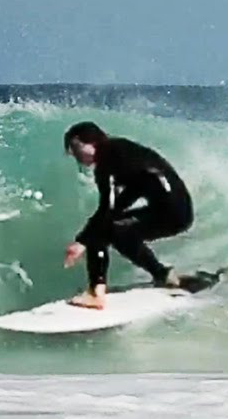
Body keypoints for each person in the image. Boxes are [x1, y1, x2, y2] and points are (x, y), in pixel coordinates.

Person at [61, 121, 194, 309]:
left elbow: (107, 208)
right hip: (181, 211)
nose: (75, 155)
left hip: (170, 212)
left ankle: (95, 293)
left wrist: (83, 240)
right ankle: (163, 275)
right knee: (116, 231)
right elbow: (134, 190)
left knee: (105, 229)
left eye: (75, 148)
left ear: (90, 143)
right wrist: (87, 235)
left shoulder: (106, 160)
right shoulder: (122, 149)